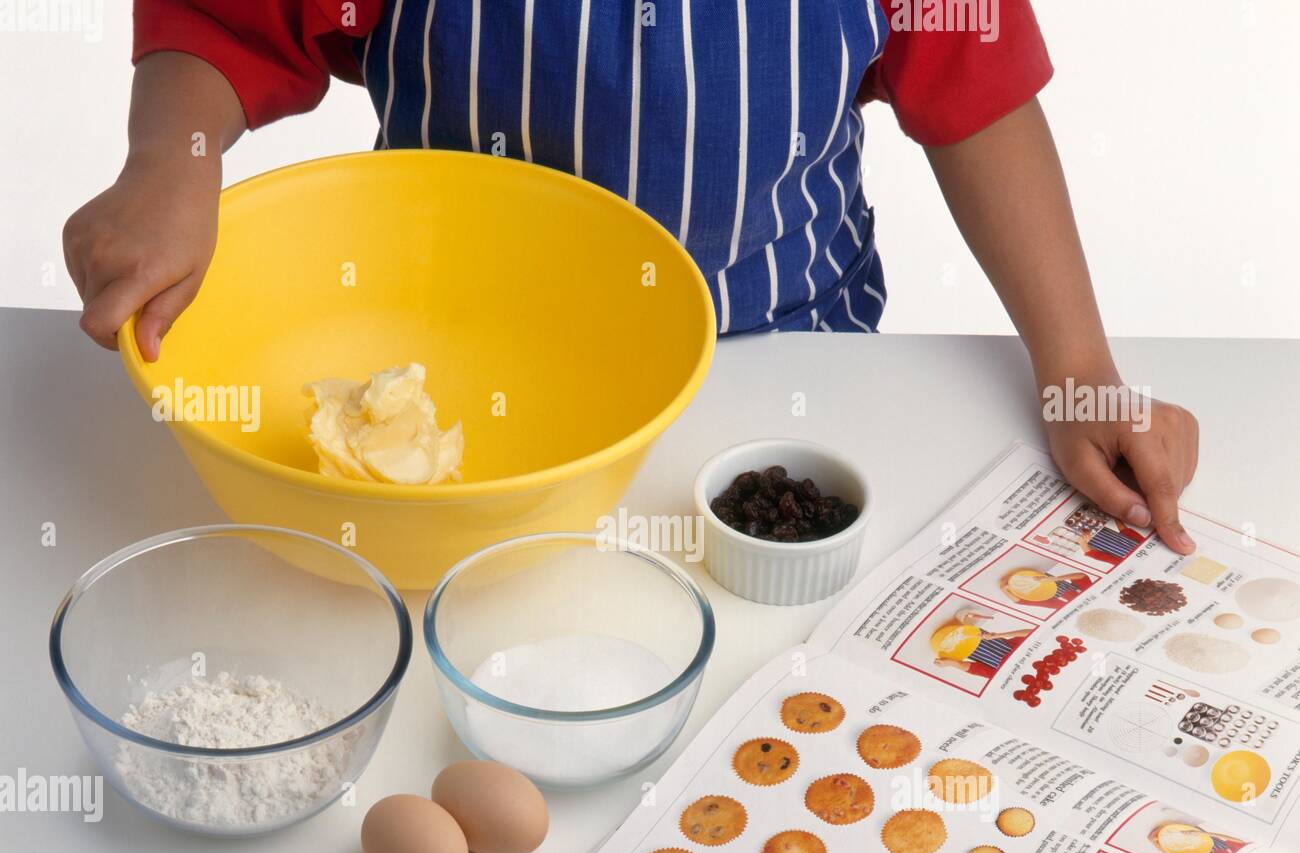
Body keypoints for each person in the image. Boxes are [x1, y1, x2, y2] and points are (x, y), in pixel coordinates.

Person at [62, 1, 1198, 550]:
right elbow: (222, 23)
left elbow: (976, 94)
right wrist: (172, 157)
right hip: (464, 387)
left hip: (778, 370)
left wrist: (1077, 367)